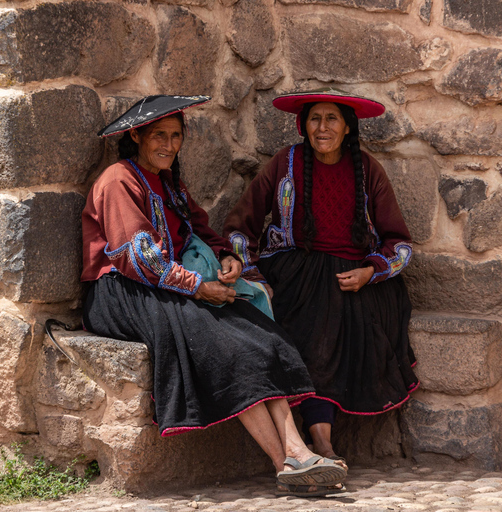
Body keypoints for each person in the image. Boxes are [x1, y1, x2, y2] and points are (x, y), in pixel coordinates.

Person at [81, 95, 347, 496]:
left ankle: (297, 452)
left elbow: (201, 229)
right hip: (120, 293)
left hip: (165, 285)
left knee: (262, 336)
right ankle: (285, 462)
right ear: (136, 135)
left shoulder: (169, 183)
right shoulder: (120, 180)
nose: (169, 145)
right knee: (226, 343)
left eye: (176, 136)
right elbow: (140, 258)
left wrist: (227, 256)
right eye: (159, 136)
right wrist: (198, 287)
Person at [223, 88, 419, 461]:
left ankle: (320, 438)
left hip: (357, 279)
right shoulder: (286, 162)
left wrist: (370, 271)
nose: (322, 127)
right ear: (303, 125)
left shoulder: (367, 170)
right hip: (294, 272)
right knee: (313, 322)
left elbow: (400, 243)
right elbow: (240, 224)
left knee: (338, 318)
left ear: (347, 127)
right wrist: (250, 271)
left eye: (332, 119)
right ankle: (320, 439)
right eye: (315, 118)